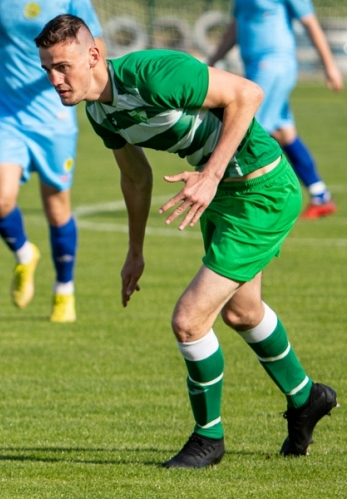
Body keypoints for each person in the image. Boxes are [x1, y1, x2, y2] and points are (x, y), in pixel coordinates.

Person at [35, 15, 337, 468]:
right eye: (47, 70)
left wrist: (211, 176)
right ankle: (307, 398)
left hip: (261, 190)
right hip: (222, 196)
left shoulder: (152, 73)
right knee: (243, 312)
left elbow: (248, 94)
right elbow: (135, 177)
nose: (55, 80)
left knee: (189, 320)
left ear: (94, 55)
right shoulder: (98, 111)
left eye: (63, 67)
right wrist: (134, 252)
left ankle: (208, 439)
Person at [0, 1, 104, 322]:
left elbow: (95, 45)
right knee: (0, 200)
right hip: (7, 113)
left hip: (54, 116)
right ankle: (25, 253)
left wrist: (95, 91)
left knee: (57, 208)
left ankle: (64, 289)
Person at [208, 0, 343, 219]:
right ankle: (320, 196)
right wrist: (213, 60)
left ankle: (248, 198)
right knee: (283, 132)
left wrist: (329, 66)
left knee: (244, 128)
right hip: (254, 67)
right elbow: (235, 28)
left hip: (274, 64)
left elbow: (310, 23)